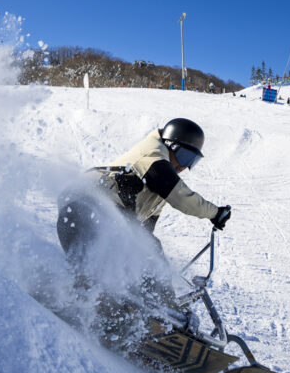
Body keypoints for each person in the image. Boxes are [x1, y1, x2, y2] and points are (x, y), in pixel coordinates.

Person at [56, 118, 231, 344]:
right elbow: (180, 196)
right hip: (82, 211)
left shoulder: (157, 183)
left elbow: (144, 236)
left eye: (192, 162)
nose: (184, 167)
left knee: (150, 252)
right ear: (171, 146)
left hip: (95, 219)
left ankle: (161, 321)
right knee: (101, 276)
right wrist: (214, 213)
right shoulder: (153, 157)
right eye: (185, 157)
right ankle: (67, 302)